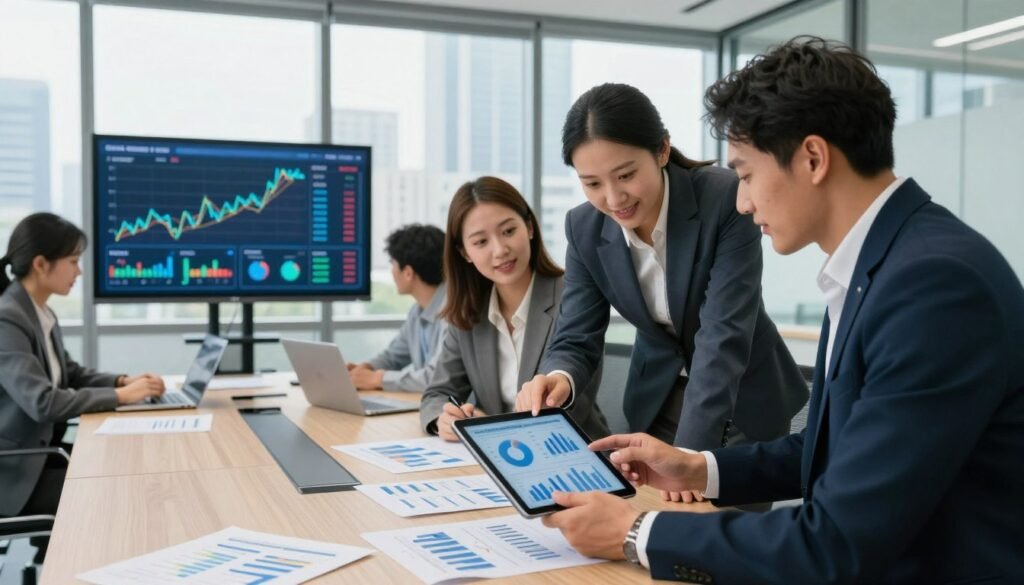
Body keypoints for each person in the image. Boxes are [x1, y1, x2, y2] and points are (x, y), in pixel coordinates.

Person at [541, 37, 1024, 584]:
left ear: (813, 158)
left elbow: (835, 543)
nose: (743, 202)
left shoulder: (933, 287)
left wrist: (636, 532)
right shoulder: (879, 265)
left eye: (745, 173)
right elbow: (833, 449)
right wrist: (698, 466)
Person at [517, 82, 807, 504]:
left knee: (729, 545)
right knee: (650, 543)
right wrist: (559, 375)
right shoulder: (583, 228)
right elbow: (575, 334)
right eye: (592, 183)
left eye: (626, 175)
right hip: (659, 404)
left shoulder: (724, 197)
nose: (613, 198)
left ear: (662, 151)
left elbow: (722, 336)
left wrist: (688, 457)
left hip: (745, 398)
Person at [0, 212, 166, 559]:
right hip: (14, 476)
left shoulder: (38, 311)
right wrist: (120, 396)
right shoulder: (8, 317)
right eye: (73, 262)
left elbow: (69, 374)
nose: (79, 272)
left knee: (122, 470)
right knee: (117, 493)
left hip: (41, 458)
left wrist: (122, 381)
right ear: (41, 264)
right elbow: (43, 402)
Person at [420, 177, 608, 442]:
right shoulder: (469, 311)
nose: (500, 250)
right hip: (506, 460)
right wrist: (446, 419)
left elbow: (569, 406)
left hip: (576, 455)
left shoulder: (574, 295)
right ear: (465, 253)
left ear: (529, 227)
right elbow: (438, 392)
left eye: (508, 231)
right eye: (481, 242)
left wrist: (492, 429)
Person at [348, 224, 447, 392]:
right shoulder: (418, 312)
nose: (392, 271)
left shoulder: (454, 311)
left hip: (460, 413)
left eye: (393, 264)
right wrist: (365, 368)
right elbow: (394, 356)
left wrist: (377, 379)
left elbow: (437, 378)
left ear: (408, 273)